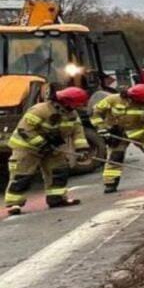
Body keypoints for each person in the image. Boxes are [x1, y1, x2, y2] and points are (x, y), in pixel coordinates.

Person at [4, 87, 91, 215]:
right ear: (66, 101)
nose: (78, 107)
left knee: (58, 171)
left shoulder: (71, 114)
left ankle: (57, 199)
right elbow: (25, 130)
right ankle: (14, 204)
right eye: (77, 104)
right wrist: (42, 144)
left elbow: (77, 131)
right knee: (22, 175)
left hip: (52, 146)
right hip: (27, 147)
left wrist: (82, 148)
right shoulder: (40, 110)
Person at [91, 84, 144, 193]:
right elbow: (95, 113)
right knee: (115, 157)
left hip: (140, 133)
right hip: (117, 133)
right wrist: (102, 129)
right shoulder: (112, 99)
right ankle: (110, 183)